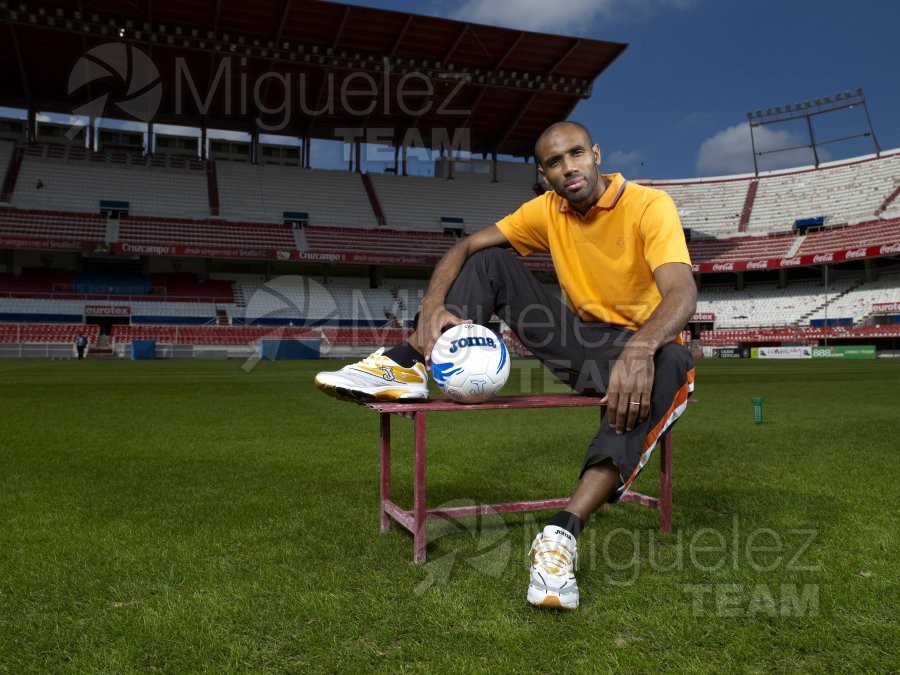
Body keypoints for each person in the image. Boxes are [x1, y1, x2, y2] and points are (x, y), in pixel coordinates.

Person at [315, 121, 697, 610]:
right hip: (580, 345)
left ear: (597, 154)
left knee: (673, 360)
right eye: (555, 163)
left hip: (645, 348)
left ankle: (561, 534)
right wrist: (432, 304)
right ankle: (407, 363)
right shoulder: (547, 210)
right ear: (544, 174)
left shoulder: (649, 205)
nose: (569, 168)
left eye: (576, 154)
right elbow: (465, 247)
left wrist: (642, 349)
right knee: (491, 260)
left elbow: (682, 292)